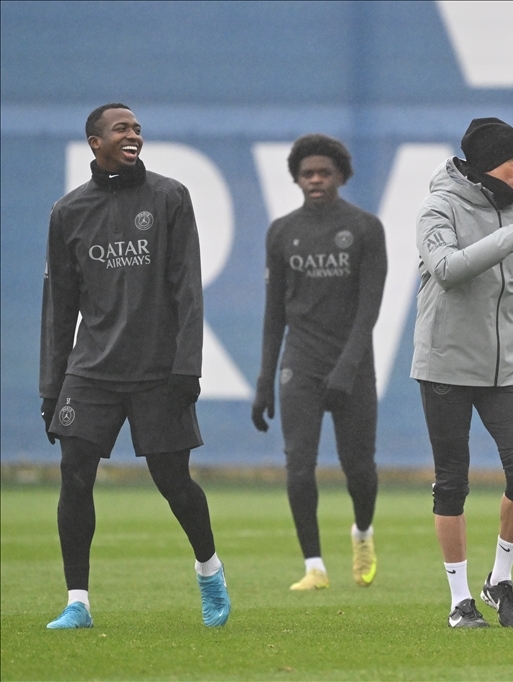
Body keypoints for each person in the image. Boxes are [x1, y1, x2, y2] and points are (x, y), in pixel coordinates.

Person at [39, 103, 229, 629]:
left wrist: (187, 366)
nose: (134, 135)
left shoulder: (169, 197)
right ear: (94, 143)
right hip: (91, 371)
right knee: (75, 478)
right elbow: (61, 306)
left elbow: (187, 289)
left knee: (174, 481)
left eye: (138, 128)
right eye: (121, 128)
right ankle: (78, 601)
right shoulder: (68, 212)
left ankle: (209, 570)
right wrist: (52, 386)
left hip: (157, 370)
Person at [412, 118, 513, 628]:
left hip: (504, 375)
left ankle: (499, 579)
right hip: (445, 366)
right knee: (452, 482)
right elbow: (448, 269)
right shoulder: (439, 207)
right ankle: (459, 602)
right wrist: (511, 234)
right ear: (486, 164)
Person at [251, 134, 387, 591]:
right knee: (298, 464)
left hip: (351, 364)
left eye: (323, 173)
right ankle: (315, 567)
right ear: (296, 177)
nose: (315, 180)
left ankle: (362, 533)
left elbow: (370, 307)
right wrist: (264, 379)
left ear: (340, 176)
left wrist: (347, 367)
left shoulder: (366, 228)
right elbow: (273, 314)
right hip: (300, 363)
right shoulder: (281, 232)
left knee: (360, 470)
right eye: (307, 173)